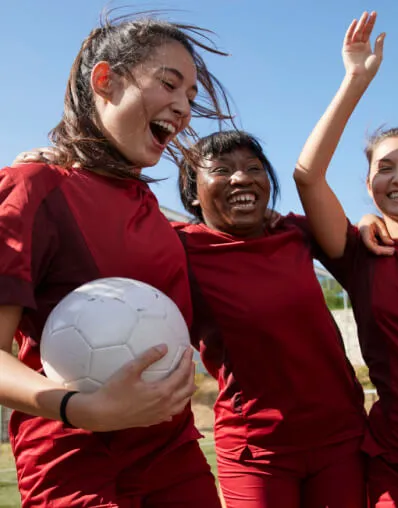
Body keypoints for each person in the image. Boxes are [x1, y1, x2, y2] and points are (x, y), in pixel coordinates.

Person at [0, 10, 233, 508]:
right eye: (169, 84)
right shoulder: (33, 188)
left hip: (175, 457)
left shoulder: (152, 210)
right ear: (104, 80)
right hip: (79, 467)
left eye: (191, 97)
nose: (184, 108)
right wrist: (84, 408)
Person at [293, 11, 398, 508]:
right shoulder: (359, 254)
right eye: (384, 168)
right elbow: (307, 176)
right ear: (368, 185)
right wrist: (354, 80)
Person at [173, 130, 368, 508]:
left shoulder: (296, 231)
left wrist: (371, 218)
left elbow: (372, 233)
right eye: (222, 170)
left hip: (341, 438)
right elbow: (109, 229)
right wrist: (58, 167)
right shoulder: (178, 245)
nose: (242, 177)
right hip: (255, 449)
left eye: (253, 168)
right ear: (194, 194)